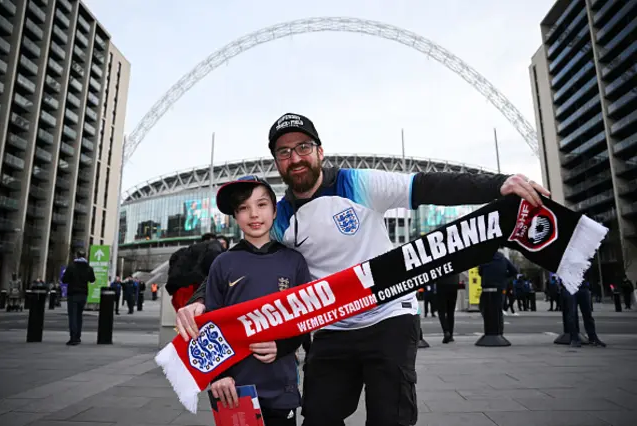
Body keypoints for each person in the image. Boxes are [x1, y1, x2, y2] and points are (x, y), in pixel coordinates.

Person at [182, 112, 549, 426]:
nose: (295, 157)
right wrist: (200, 299)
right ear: (277, 162)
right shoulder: (280, 217)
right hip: (331, 325)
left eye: (303, 147)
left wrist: (497, 185)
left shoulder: (357, 183)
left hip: (389, 316)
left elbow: (428, 185)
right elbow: (248, 255)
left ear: (319, 152)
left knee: (390, 416)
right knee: (320, 415)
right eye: (284, 151)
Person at [176, 176, 311, 425]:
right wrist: (219, 375)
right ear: (235, 216)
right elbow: (210, 327)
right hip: (234, 390)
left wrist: (283, 346)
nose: (253, 214)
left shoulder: (295, 262)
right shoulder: (223, 263)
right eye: (243, 208)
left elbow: (304, 320)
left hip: (282, 387)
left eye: (261, 205)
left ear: (274, 210)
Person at [165, 233, 223, 312]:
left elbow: (173, 260)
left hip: (178, 288)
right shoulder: (213, 246)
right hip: (195, 287)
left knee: (184, 317)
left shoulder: (186, 250)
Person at [61, 250, 96, 345]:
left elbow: (64, 280)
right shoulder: (88, 268)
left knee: (73, 316)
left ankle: (73, 337)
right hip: (83, 294)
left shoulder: (71, 266)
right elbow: (92, 280)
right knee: (79, 316)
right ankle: (78, 336)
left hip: (73, 293)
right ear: (85, 256)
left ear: (76, 255)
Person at [435, 273, 460, 343]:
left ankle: (446, 331)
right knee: (451, 312)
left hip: (442, 284)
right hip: (454, 284)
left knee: (441, 311)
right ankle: (451, 335)